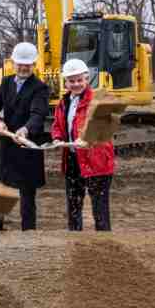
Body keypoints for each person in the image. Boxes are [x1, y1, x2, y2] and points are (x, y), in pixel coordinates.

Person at [0, 42, 51, 231]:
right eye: (19, 64)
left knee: (27, 193)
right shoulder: (6, 82)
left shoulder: (40, 88)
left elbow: (38, 114)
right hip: (7, 145)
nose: (23, 68)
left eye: (27, 64)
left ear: (33, 65)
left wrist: (25, 130)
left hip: (27, 145)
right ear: (13, 63)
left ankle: (28, 233)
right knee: (0, 188)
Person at [51, 58, 116, 232]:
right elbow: (57, 125)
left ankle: (104, 245)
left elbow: (106, 126)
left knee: (100, 209)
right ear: (65, 82)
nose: (76, 84)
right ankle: (76, 243)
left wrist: (88, 138)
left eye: (80, 80)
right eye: (71, 81)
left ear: (87, 79)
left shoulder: (97, 101)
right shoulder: (63, 103)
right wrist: (57, 138)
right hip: (72, 159)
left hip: (97, 161)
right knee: (73, 205)